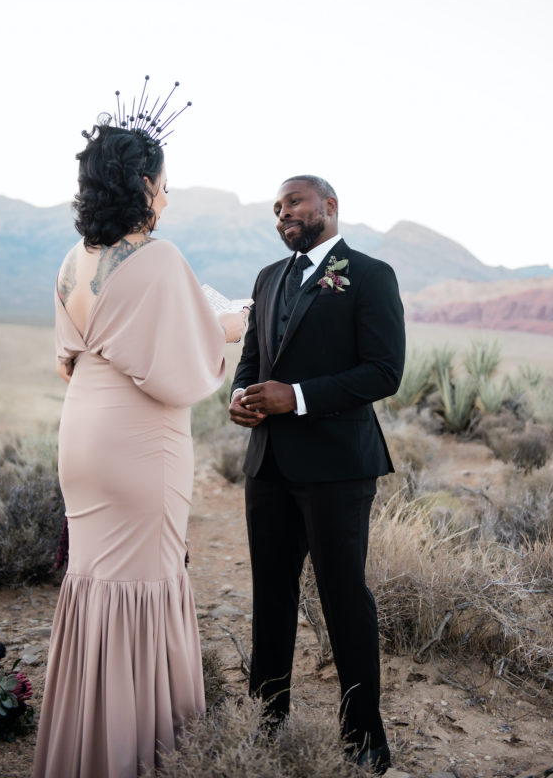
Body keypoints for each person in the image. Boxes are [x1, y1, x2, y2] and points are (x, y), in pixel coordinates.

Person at [33, 86, 248, 778]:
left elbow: (72, 355)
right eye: (163, 185)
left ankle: (85, 744)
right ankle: (136, 752)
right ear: (144, 187)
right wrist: (234, 323)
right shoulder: (157, 260)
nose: (166, 198)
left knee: (95, 580)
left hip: (84, 435)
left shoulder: (73, 261)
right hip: (140, 441)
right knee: (148, 582)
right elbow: (187, 365)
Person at [229, 174, 405, 774]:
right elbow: (253, 358)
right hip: (269, 463)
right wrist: (240, 396)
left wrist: (296, 396)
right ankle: (266, 718)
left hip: (337, 467)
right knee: (270, 597)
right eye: (276, 209)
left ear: (329, 206)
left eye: (294, 203)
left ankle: (364, 736)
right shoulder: (267, 279)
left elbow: (384, 372)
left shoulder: (371, 274)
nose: (283, 215)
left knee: (343, 597)